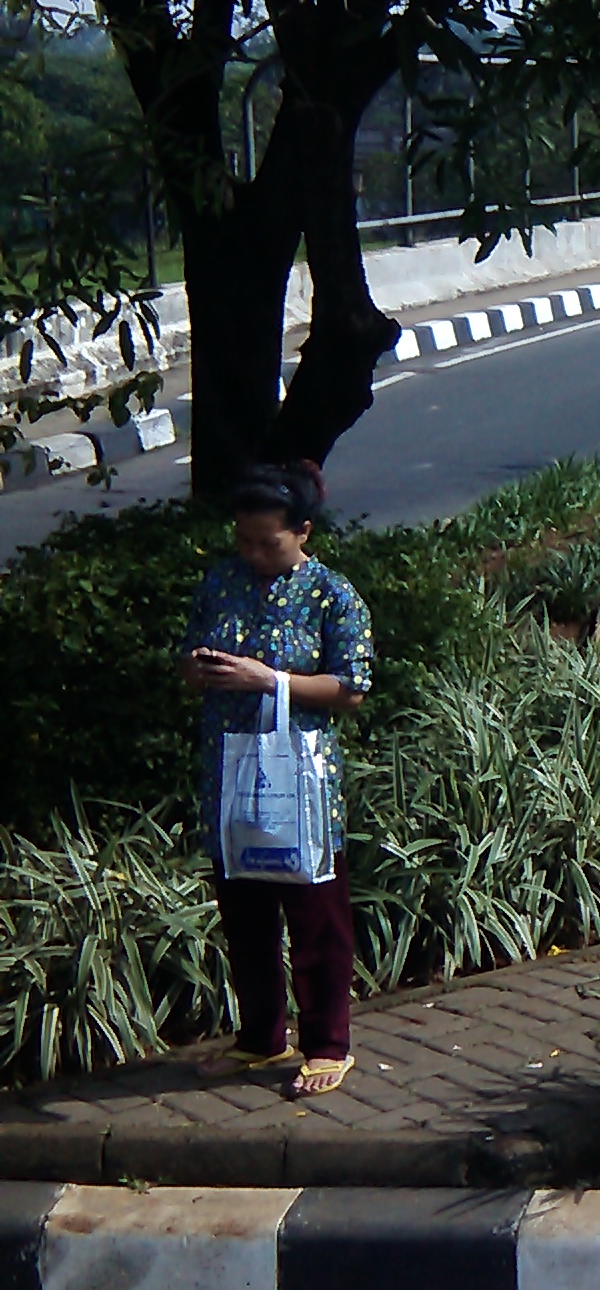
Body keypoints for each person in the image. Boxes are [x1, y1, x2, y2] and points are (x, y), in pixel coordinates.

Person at [179, 460, 374, 1100]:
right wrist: (203, 668)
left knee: (315, 913)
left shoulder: (331, 596)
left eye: (270, 542)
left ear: (304, 532)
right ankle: (260, 1037)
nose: (255, 553)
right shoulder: (221, 584)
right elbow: (186, 656)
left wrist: (273, 681)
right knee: (244, 911)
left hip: (300, 778)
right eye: (244, 540)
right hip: (230, 770)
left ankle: (327, 1043)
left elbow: (350, 687)